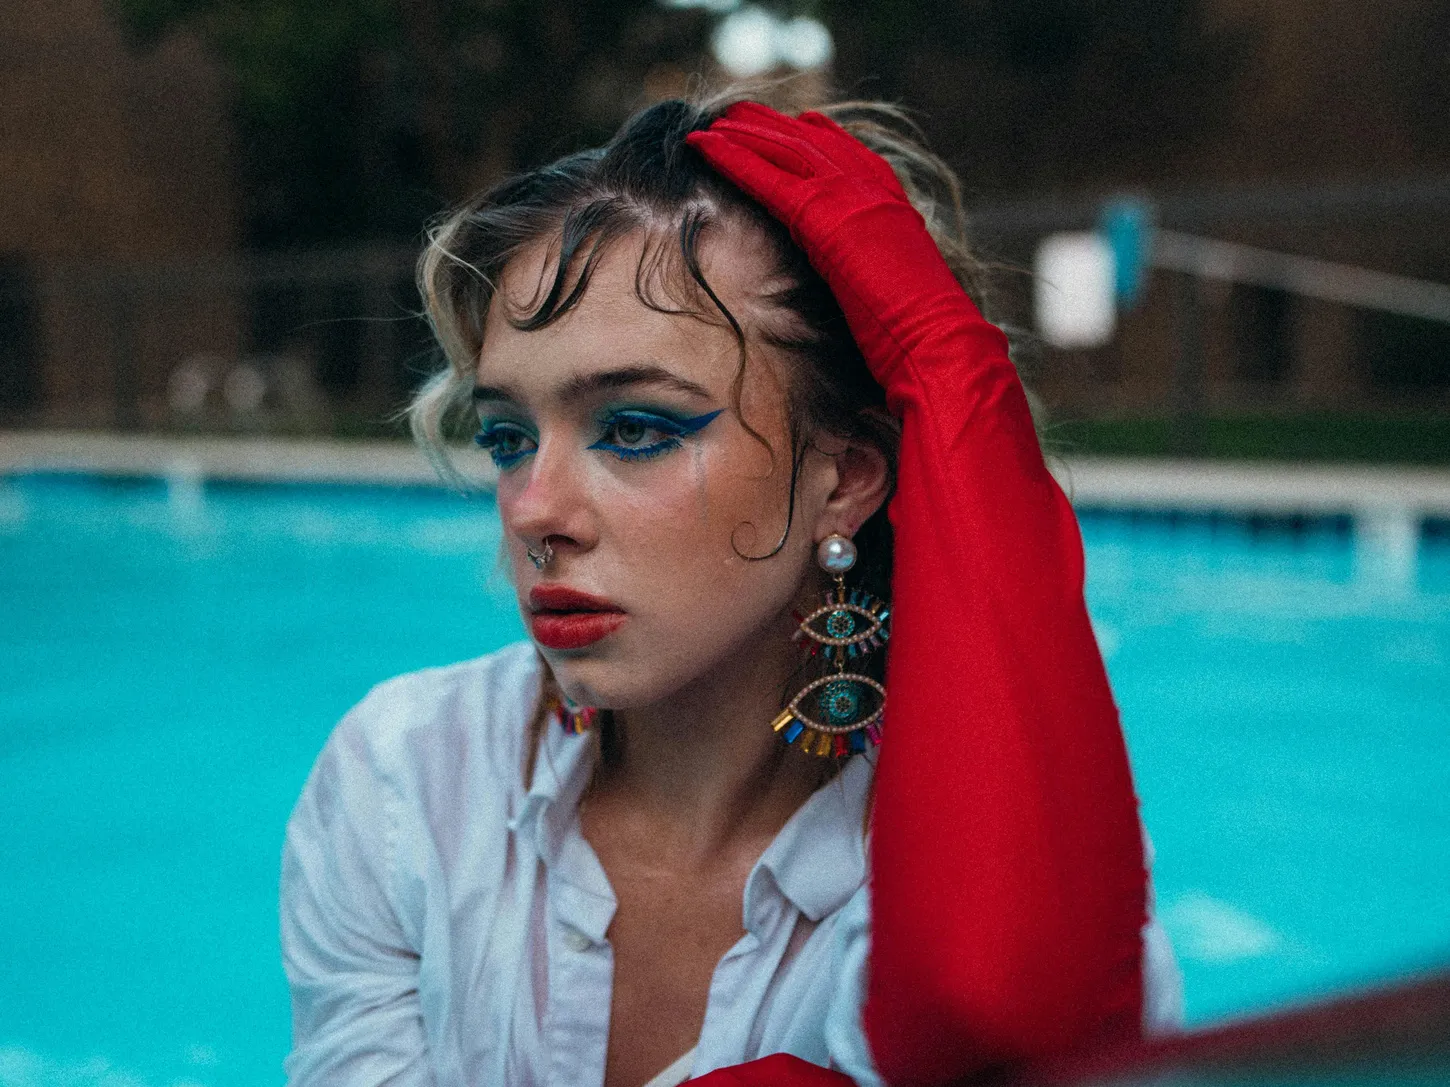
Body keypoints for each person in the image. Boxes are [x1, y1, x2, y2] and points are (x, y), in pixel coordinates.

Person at [280, 95, 1183, 1087]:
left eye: (635, 428)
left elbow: (999, 1008)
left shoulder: (1014, 843)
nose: (535, 509)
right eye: (508, 437)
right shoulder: (410, 780)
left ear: (843, 477)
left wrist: (951, 371)